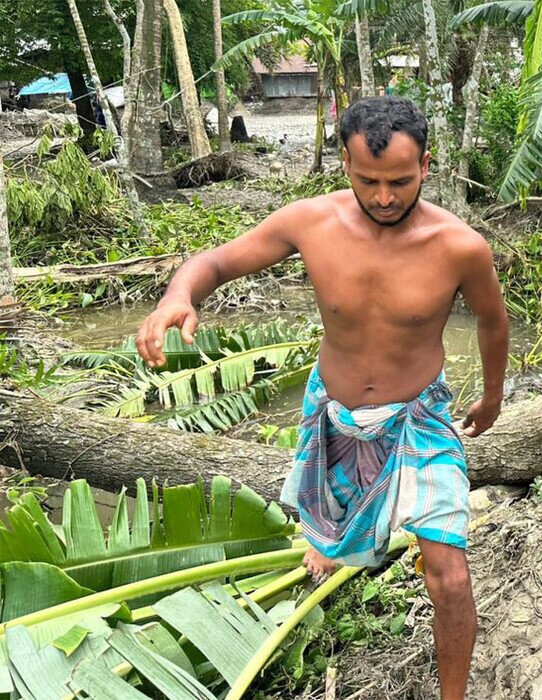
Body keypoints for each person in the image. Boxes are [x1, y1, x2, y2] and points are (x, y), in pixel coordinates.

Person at [134, 96, 497, 700]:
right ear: (345, 166)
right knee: (327, 529)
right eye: (368, 181)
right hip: (335, 412)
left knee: (451, 578)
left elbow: (492, 322)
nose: (384, 197)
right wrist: (179, 295)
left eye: (400, 182)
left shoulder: (460, 246)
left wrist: (492, 395)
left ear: (427, 166)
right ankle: (329, 547)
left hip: (419, 418)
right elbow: (217, 261)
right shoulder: (310, 222)